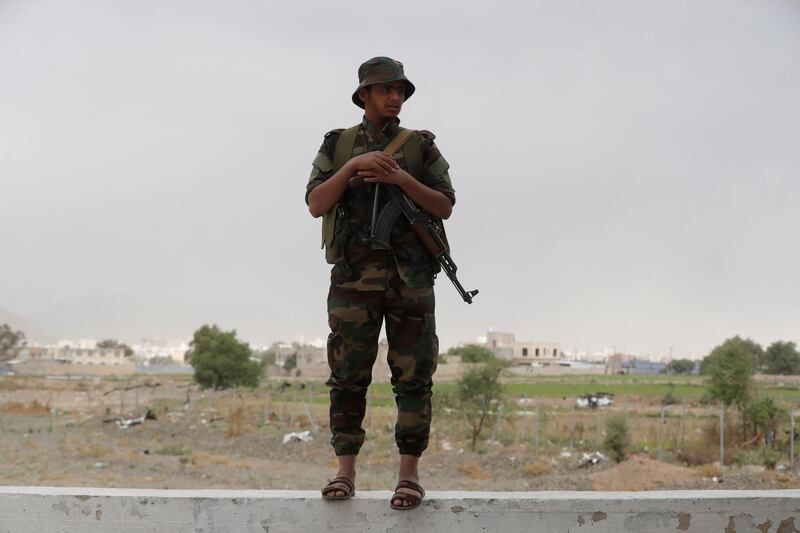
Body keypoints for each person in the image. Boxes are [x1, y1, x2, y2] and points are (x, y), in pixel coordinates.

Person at [305, 56, 455, 510]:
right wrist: (352, 168)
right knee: (347, 378)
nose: (395, 97)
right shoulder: (338, 144)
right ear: (364, 95)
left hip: (410, 281)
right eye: (386, 89)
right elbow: (315, 203)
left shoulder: (420, 147)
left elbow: (445, 206)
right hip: (352, 282)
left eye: (401, 90)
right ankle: (344, 471)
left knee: (414, 379)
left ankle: (408, 477)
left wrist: (401, 177)